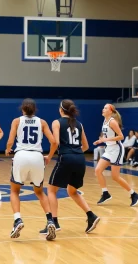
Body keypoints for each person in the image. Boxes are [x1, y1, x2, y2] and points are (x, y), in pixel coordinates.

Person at [41, 99, 100, 235]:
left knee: (51, 190)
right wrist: (75, 152)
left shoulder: (57, 122)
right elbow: (86, 146)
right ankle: (91, 215)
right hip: (80, 159)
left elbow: (55, 142)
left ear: (61, 110)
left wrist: (49, 156)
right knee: (72, 191)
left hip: (66, 157)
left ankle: (54, 222)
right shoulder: (79, 124)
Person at [5, 98, 58, 240]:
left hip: (21, 155)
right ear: (35, 109)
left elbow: (10, 140)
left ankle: (17, 220)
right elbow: (54, 142)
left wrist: (8, 149)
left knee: (15, 190)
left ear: (22, 109)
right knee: (40, 192)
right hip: (37, 157)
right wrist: (49, 157)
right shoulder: (42, 122)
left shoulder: (17, 121)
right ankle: (50, 220)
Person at [94, 104, 138, 206]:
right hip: (109, 149)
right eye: (103, 107)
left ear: (110, 111)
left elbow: (121, 136)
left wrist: (106, 139)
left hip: (117, 150)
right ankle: (105, 193)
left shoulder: (113, 122)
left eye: (105, 108)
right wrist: (101, 140)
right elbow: (107, 135)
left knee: (115, 177)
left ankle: (134, 194)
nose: (103, 109)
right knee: (98, 170)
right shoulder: (105, 121)